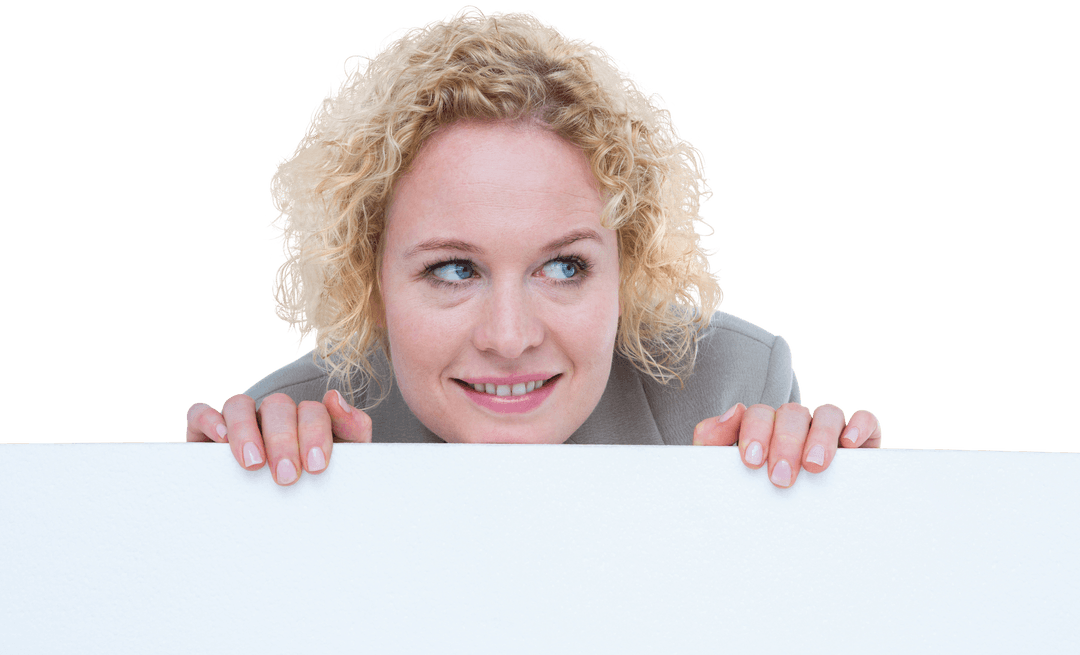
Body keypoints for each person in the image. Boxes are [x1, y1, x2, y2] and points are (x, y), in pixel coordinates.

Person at [185, 6, 881, 488]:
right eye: (453, 269)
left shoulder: (730, 386)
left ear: (628, 267)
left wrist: (828, 506)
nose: (510, 338)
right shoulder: (300, 433)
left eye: (564, 266)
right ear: (370, 278)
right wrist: (225, 510)